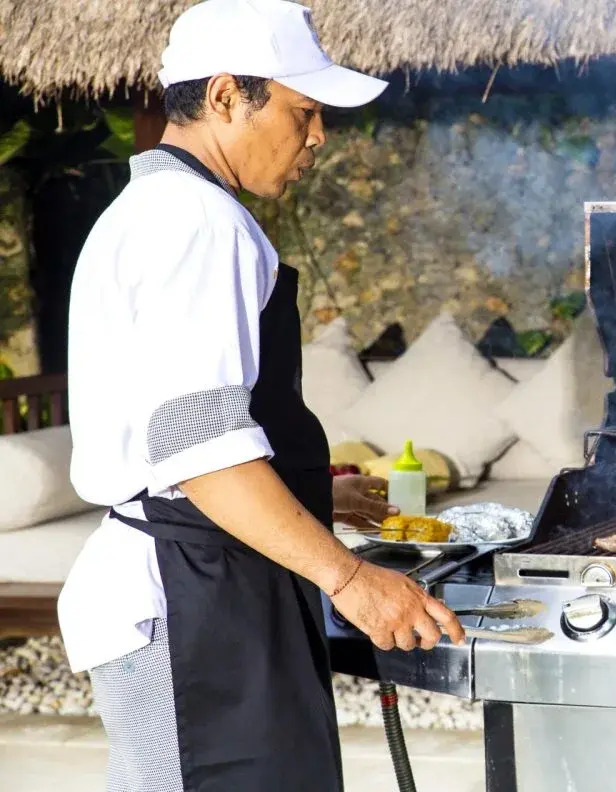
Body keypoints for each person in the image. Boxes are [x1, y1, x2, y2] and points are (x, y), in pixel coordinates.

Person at [56, 1, 464, 789]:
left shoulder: (155, 209)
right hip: (192, 599)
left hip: (215, 582)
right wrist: (351, 578)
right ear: (224, 98)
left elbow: (183, 430)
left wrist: (317, 499)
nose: (318, 137)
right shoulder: (198, 222)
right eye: (302, 111)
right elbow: (196, 445)